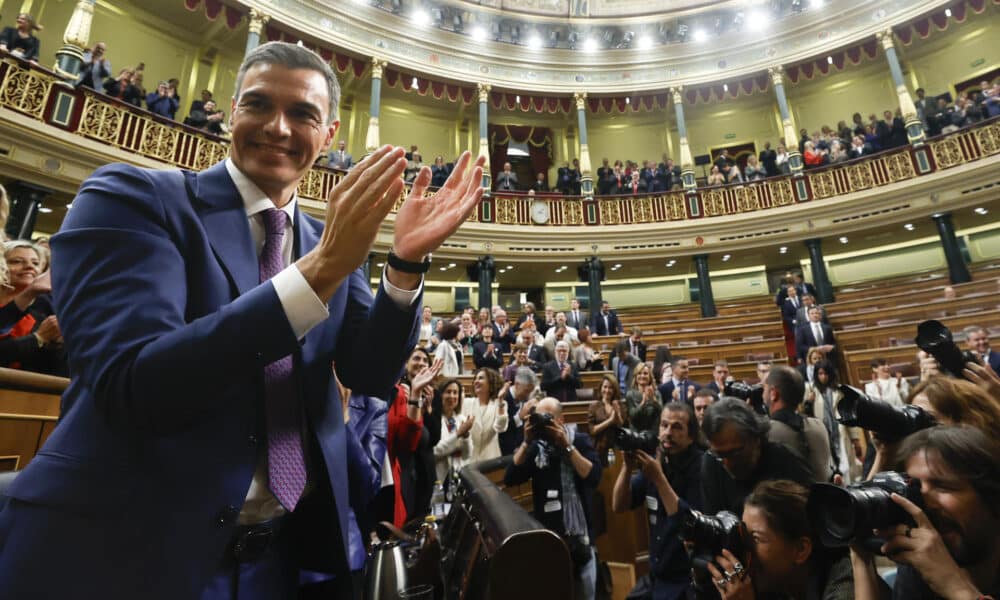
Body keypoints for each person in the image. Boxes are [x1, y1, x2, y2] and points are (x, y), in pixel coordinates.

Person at [0, 42, 486, 600]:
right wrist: (320, 270)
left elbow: (370, 371)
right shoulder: (132, 198)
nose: (278, 127)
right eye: (258, 105)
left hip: (279, 559)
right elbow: (134, 383)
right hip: (122, 550)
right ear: (232, 111)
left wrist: (404, 265)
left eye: (302, 113)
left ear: (329, 136)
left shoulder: (326, 242)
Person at [850, 427, 1000, 600]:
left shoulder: (937, 565)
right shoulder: (921, 564)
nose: (923, 502)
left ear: (992, 497)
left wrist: (956, 587)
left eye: (942, 486)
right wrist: (862, 560)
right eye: (914, 488)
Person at [505, 397, 602, 600]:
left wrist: (566, 446)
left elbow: (593, 476)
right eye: (539, 418)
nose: (544, 424)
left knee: (586, 593)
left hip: (581, 536)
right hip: (549, 536)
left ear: (561, 419)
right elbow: (511, 477)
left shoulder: (579, 440)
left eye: (548, 418)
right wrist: (526, 441)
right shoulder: (536, 447)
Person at [612, 403, 704, 600]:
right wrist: (627, 467)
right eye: (664, 425)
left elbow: (689, 523)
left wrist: (659, 479)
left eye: (677, 427)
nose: (668, 433)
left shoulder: (701, 467)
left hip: (686, 579)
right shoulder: (656, 461)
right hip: (656, 575)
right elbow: (619, 505)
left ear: (691, 436)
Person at [706, 480, 854, 600]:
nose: (745, 548)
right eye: (743, 535)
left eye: (756, 539)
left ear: (801, 550)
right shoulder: (776, 584)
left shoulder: (845, 586)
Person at [699, 399, 814, 516]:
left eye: (736, 453)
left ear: (756, 439)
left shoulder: (788, 463)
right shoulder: (711, 462)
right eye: (720, 455)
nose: (728, 463)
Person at [387, 350, 441, 527]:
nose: (421, 362)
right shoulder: (397, 391)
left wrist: (428, 411)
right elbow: (402, 438)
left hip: (424, 469)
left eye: (426, 360)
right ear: (406, 362)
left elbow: (434, 438)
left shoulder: (434, 393)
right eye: (416, 358)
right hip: (404, 468)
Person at [0, 241, 64, 375]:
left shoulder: (42, 317)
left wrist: (57, 345)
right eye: (17, 261)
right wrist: (38, 338)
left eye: (35, 263)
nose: (29, 267)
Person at [763, 366, 832, 482]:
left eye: (764, 387)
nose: (762, 392)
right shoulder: (819, 426)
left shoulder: (766, 433)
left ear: (773, 393)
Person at [804, 360, 862, 484]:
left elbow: (848, 415)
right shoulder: (810, 390)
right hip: (822, 433)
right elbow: (805, 415)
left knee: (845, 467)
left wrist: (855, 439)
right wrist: (809, 402)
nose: (823, 377)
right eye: (820, 374)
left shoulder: (839, 391)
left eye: (826, 374)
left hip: (840, 433)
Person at [432, 378, 474, 484]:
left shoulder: (461, 419)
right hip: (439, 477)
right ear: (440, 395)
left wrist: (466, 436)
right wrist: (458, 434)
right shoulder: (433, 419)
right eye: (448, 392)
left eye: (455, 393)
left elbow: (467, 455)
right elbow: (435, 451)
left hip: (458, 476)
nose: (452, 396)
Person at [462, 368, 509, 462]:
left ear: (491, 383)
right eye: (475, 379)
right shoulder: (466, 403)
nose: (476, 381)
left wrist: (500, 401)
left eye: (481, 378)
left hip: (490, 459)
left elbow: (500, 428)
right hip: (469, 459)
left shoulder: (500, 404)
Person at [498, 366, 539, 455]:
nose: (528, 395)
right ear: (517, 384)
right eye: (526, 391)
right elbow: (500, 430)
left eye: (530, 392)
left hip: (520, 449)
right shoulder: (503, 398)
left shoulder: (525, 400)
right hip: (503, 451)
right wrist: (519, 417)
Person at [589, 374, 626, 466]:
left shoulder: (619, 405)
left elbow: (622, 426)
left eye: (610, 388)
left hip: (614, 448)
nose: (607, 390)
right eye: (605, 387)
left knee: (613, 472)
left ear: (614, 390)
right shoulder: (594, 406)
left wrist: (617, 412)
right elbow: (592, 430)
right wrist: (610, 421)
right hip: (598, 448)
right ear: (601, 388)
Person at [626, 363, 663, 436]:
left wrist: (653, 399)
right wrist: (643, 402)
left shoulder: (657, 393)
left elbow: (662, 412)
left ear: (650, 377)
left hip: (653, 433)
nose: (642, 376)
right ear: (635, 377)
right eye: (639, 373)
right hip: (636, 433)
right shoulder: (630, 394)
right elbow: (632, 416)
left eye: (645, 373)